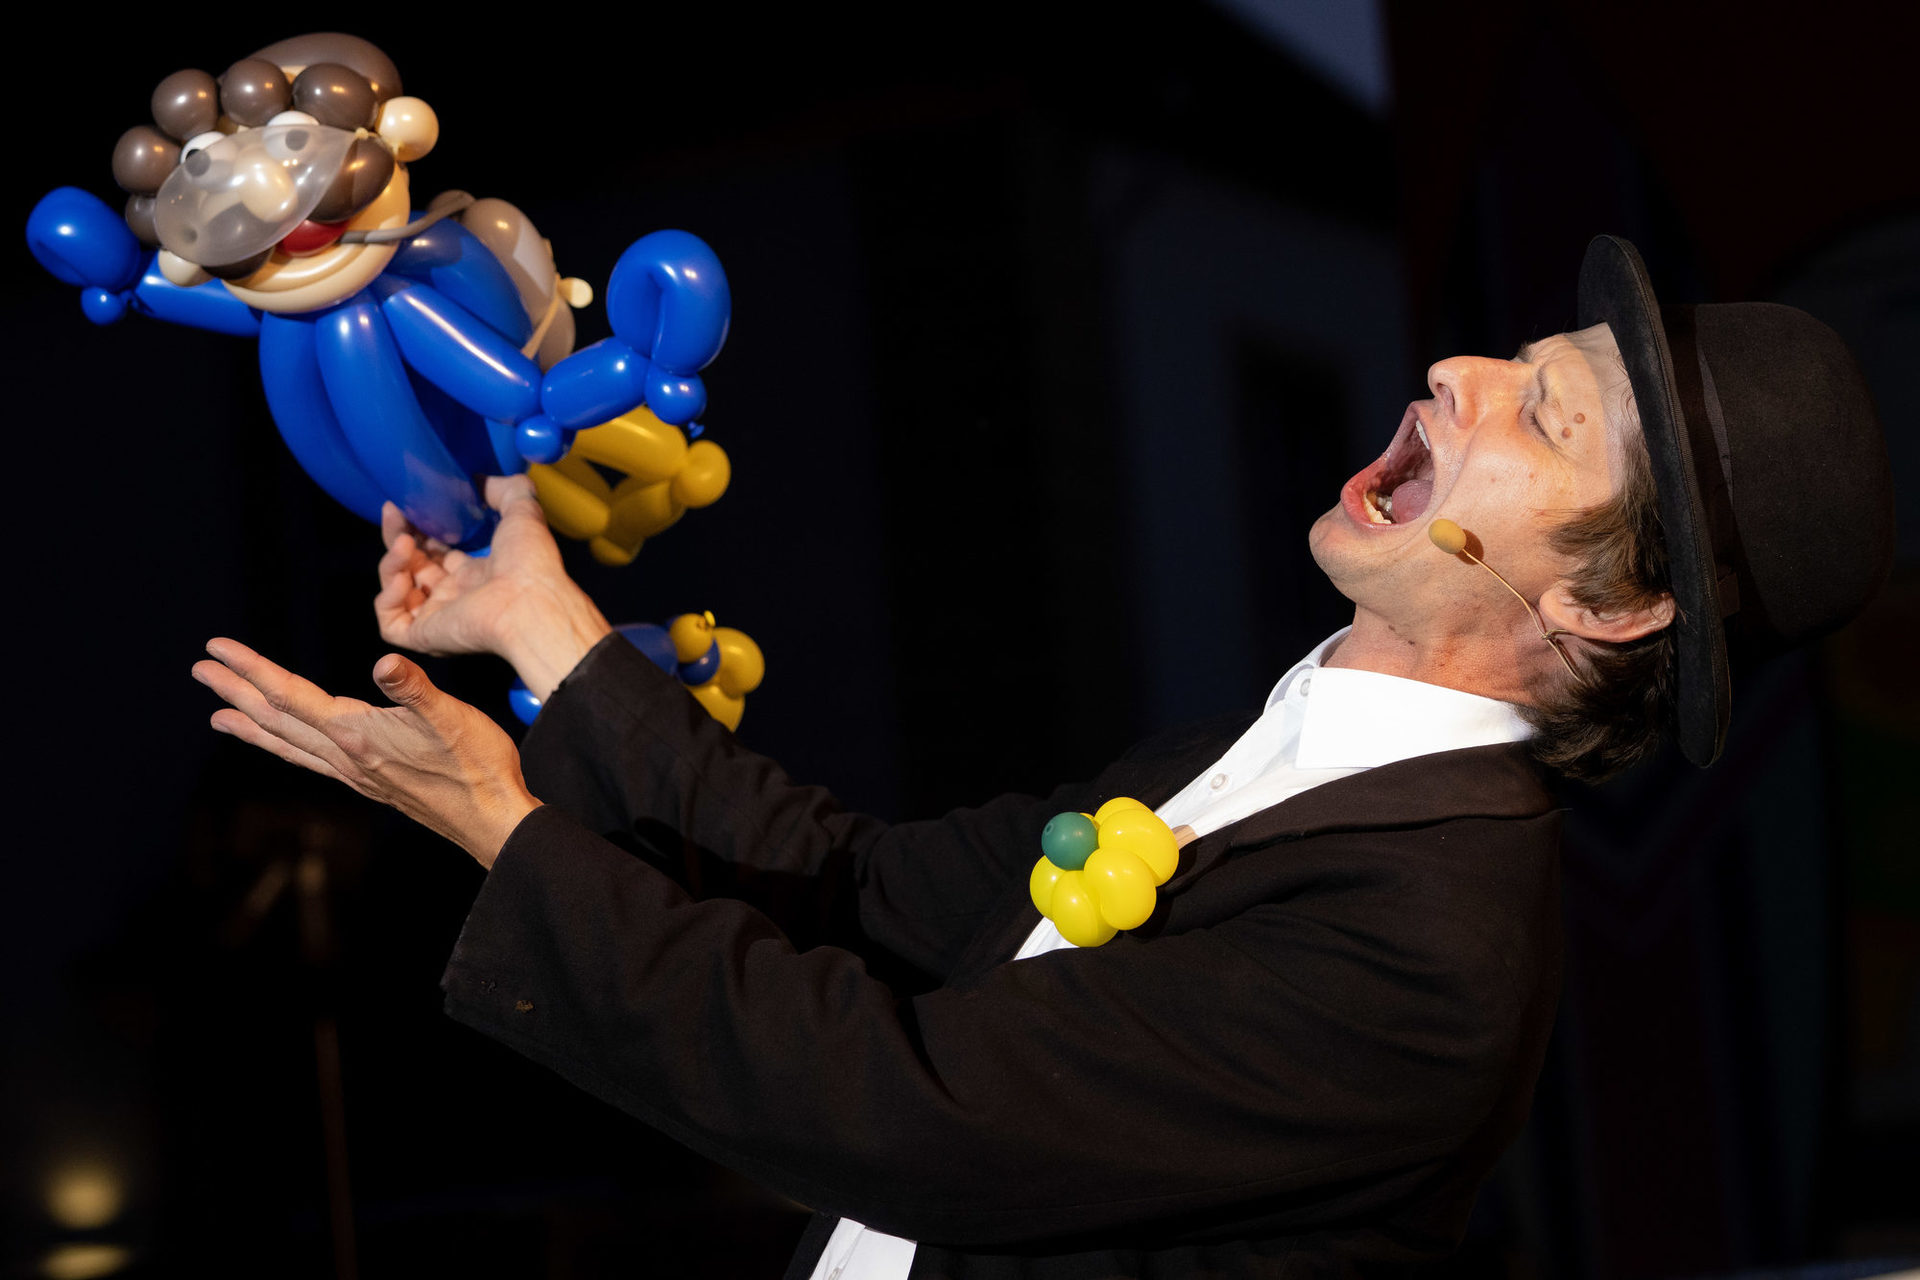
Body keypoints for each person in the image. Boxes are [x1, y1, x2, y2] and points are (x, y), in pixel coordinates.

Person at [193, 236, 1893, 1276]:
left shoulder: (1427, 949)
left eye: (1545, 412)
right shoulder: (1273, 745)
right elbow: (858, 892)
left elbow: (896, 1106)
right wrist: (545, 626)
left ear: (1611, 605)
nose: (1460, 371)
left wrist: (508, 832)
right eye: (1515, 359)